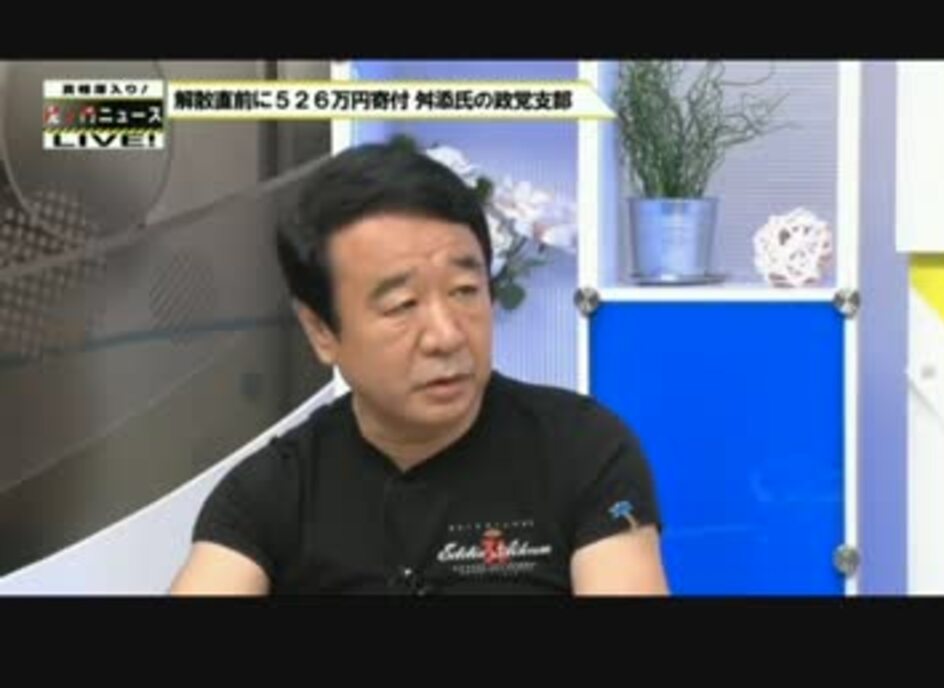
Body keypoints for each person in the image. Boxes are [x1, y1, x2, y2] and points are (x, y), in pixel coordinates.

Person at [170, 139, 669, 596]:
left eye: (465, 291)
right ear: (321, 330)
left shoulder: (583, 450)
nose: (446, 336)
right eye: (402, 305)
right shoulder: (271, 492)